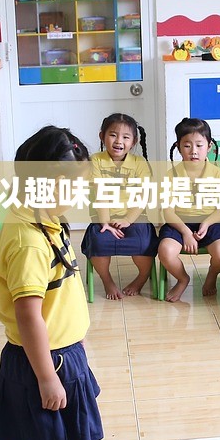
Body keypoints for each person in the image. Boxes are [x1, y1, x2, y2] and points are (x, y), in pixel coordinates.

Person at [0, 126, 103, 440]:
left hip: (63, 352)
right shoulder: (27, 240)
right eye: (72, 186)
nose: (77, 195)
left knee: (59, 439)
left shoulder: (47, 222)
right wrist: (46, 375)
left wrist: (77, 346)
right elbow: (28, 316)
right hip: (40, 361)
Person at [82, 113, 158, 300]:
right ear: (102, 136)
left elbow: (143, 195)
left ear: (134, 142)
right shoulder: (95, 161)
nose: (119, 141)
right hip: (103, 217)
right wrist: (105, 222)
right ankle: (107, 281)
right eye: (113, 135)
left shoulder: (139, 163)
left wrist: (127, 219)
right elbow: (100, 193)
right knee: (99, 241)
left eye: (126, 137)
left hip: (135, 217)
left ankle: (141, 279)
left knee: (143, 242)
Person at [156, 117, 220, 302]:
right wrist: (186, 233)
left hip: (211, 222)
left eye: (199, 145)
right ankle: (182, 279)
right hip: (178, 223)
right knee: (165, 251)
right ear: (179, 147)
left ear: (209, 146)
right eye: (187, 146)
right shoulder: (171, 175)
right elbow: (168, 212)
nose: (194, 151)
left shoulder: (217, 174)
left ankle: (212, 276)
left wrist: (207, 222)